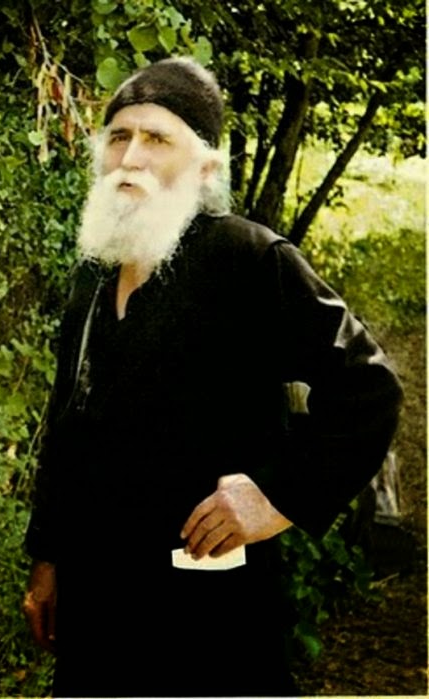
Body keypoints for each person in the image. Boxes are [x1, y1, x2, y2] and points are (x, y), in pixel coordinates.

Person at [22, 57, 402, 697]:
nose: (130, 157)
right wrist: (48, 557)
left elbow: (369, 389)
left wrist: (277, 498)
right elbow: (70, 426)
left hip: (208, 615)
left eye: (157, 138)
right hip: (97, 609)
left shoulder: (248, 259)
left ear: (203, 167)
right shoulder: (95, 273)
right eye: (119, 136)